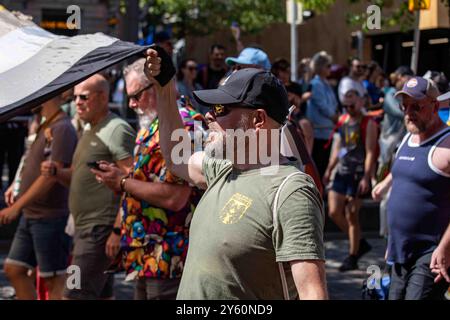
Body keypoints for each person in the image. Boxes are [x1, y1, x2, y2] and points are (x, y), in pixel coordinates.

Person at [144, 48, 328, 300]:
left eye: (221, 108)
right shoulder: (225, 170)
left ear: (258, 120)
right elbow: (180, 158)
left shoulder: (291, 192)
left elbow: (313, 294)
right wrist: (165, 87)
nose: (208, 115)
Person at [90, 58, 204, 300]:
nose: (131, 104)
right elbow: (144, 180)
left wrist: (122, 181)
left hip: (171, 256)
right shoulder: (151, 124)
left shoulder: (185, 124)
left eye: (137, 96)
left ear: (157, 86)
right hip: (146, 253)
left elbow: (176, 197)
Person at [41, 74, 136, 300]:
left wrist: (116, 230)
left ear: (103, 97)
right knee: (101, 296)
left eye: (83, 97)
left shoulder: (116, 129)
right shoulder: (89, 128)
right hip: (84, 229)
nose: (77, 103)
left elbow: (133, 180)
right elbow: (78, 176)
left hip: (99, 231)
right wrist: (56, 172)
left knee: (73, 293)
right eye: (75, 98)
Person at [372, 76, 450, 300]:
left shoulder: (447, 145)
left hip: (432, 252)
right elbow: (402, 173)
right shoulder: (408, 137)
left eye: (416, 106)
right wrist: (384, 185)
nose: (408, 112)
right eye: (404, 106)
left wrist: (445, 249)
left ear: (435, 106)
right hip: (400, 250)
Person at [1, 94, 78, 300]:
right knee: (14, 268)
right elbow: (30, 161)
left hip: (50, 216)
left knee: (54, 279)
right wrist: (16, 187)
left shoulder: (62, 128)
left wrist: (16, 207)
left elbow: (51, 177)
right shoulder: (46, 125)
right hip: (33, 215)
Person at [323, 85, 377, 271]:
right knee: (333, 212)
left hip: (358, 173)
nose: (348, 108)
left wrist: (366, 177)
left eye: (352, 104)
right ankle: (359, 241)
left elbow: (370, 152)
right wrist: (329, 169)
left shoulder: (368, 123)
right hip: (342, 171)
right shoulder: (343, 120)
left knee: (352, 214)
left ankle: (352, 256)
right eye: (346, 104)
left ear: (361, 102)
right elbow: (338, 147)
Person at [377, 66, 413, 237]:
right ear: (399, 77)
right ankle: (387, 236)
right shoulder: (391, 94)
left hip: (403, 149)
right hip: (390, 153)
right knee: (387, 197)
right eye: (407, 77)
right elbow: (401, 112)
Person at [306, 51, 339, 179]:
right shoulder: (316, 84)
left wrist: (337, 115)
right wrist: (335, 117)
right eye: (328, 65)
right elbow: (322, 105)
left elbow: (334, 103)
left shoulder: (325, 83)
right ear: (320, 66)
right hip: (319, 131)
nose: (330, 68)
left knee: (323, 164)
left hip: (327, 130)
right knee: (318, 165)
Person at [271, 58, 314, 154]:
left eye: (287, 71)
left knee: (306, 126)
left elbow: (298, 104)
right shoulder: (275, 87)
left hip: (296, 115)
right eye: (282, 71)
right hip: (281, 116)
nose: (285, 73)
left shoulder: (296, 86)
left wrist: (299, 100)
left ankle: (307, 157)